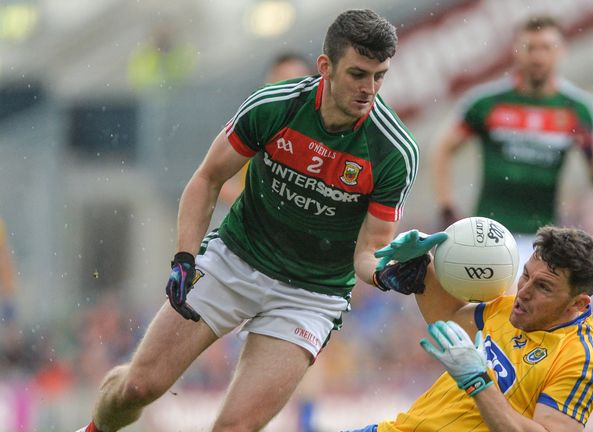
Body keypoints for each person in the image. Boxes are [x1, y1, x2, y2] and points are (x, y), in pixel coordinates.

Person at [77, 9, 436, 432]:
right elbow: (208, 179)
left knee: (234, 429)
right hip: (234, 261)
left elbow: (369, 252)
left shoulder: (394, 150)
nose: (368, 89)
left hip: (311, 296)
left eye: (379, 76)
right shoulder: (276, 105)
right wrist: (183, 258)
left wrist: (388, 275)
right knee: (137, 388)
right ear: (325, 66)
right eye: (358, 74)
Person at [353, 225, 593, 431]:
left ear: (578, 303)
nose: (524, 292)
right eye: (526, 275)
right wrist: (423, 266)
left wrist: (478, 382)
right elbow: (449, 319)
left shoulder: (582, 360)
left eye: (544, 287)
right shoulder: (509, 308)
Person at [430, 15, 593, 267]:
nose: (538, 57)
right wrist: (446, 206)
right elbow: (442, 148)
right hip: (489, 234)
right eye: (531, 48)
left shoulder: (578, 108)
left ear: (561, 52)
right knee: (486, 307)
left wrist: (591, 152)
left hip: (543, 241)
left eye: (546, 48)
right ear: (516, 51)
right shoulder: (487, 102)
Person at [218, 52, 312, 205]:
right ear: (267, 85)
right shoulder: (253, 127)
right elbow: (215, 179)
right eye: (282, 82)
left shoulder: (324, 136)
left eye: (298, 83)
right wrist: (260, 207)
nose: (290, 92)